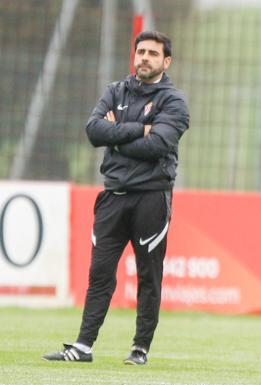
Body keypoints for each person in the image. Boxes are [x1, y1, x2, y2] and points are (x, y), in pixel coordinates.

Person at [42, 31, 190, 365]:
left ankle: (140, 348)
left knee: (148, 276)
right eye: (140, 51)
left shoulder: (174, 101)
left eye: (153, 53)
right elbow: (94, 130)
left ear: (166, 61)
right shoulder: (115, 91)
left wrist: (117, 134)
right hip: (113, 196)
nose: (144, 58)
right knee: (100, 273)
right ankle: (83, 346)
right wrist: (140, 128)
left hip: (152, 198)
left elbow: (157, 146)